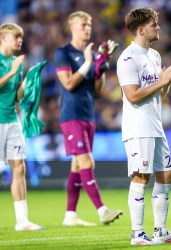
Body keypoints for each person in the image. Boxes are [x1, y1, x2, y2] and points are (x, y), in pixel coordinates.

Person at [116, 7, 171, 245]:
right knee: (141, 176)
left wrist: (167, 82)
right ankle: (137, 234)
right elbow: (133, 96)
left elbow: (159, 93)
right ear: (140, 29)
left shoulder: (154, 56)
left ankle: (160, 231)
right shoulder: (127, 58)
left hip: (155, 124)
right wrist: (160, 81)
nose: (158, 28)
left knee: (167, 174)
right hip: (138, 127)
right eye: (153, 24)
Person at [54, 11, 122, 226]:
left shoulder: (89, 55)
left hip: (87, 115)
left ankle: (70, 215)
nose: (87, 28)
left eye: (89, 24)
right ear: (72, 28)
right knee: (86, 161)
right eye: (83, 25)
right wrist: (87, 63)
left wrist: (100, 67)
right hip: (71, 115)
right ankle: (102, 211)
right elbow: (68, 84)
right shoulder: (63, 53)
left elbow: (97, 90)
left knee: (77, 166)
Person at [0, 23, 44, 231]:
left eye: (21, 37)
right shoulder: (6, 63)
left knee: (19, 168)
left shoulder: (14, 63)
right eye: (15, 37)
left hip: (12, 121)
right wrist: (13, 71)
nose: (19, 40)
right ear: (3, 38)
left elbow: (15, 98)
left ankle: (22, 221)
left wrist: (27, 82)